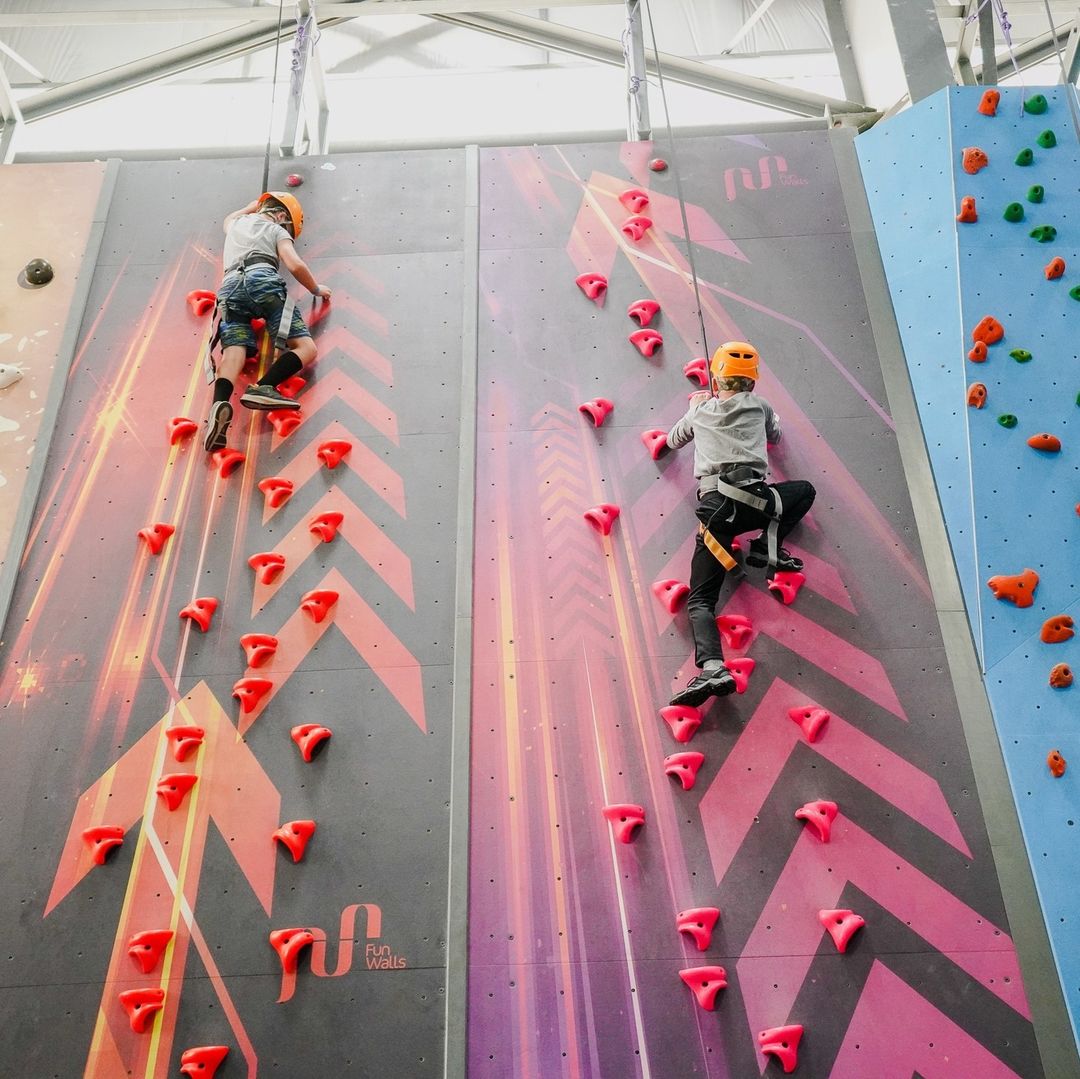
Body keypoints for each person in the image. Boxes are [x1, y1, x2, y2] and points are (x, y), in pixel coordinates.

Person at [664, 340, 816, 708]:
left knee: (701, 598)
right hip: (758, 502)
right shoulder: (761, 407)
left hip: (717, 512)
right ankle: (766, 544)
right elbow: (775, 436)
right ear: (752, 382)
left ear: (718, 378)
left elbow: (672, 440)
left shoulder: (701, 411)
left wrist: (698, 407)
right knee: (804, 491)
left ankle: (713, 666)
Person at [204, 191, 332, 451]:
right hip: (262, 281)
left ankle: (219, 405)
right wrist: (316, 289)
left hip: (229, 289)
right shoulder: (276, 230)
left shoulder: (237, 225)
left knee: (233, 355)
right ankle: (264, 387)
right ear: (283, 216)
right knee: (306, 348)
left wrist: (250, 206)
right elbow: (294, 265)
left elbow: (228, 218)